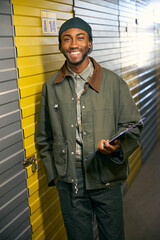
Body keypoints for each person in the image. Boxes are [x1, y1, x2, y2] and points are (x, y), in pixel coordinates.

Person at [36, 17, 143, 240]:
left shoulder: (113, 83)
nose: (73, 44)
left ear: (90, 44)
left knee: (112, 235)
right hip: (69, 181)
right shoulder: (50, 87)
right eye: (67, 39)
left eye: (80, 38)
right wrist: (55, 174)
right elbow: (44, 137)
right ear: (61, 46)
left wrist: (117, 147)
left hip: (106, 177)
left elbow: (132, 126)